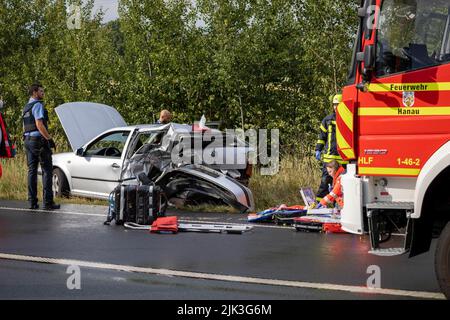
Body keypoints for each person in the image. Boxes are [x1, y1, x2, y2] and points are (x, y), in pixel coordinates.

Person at [23, 83, 60, 210]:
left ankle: (32, 202)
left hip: (27, 140)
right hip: (39, 141)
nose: (43, 93)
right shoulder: (37, 105)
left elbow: (26, 126)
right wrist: (49, 139)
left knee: (32, 171)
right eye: (41, 91)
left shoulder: (26, 107)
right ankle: (48, 202)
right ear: (34, 92)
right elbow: (39, 124)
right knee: (47, 170)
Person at [315, 93, 348, 202]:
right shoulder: (327, 120)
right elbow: (322, 137)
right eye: (334, 104)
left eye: (338, 104)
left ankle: (339, 206)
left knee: (341, 186)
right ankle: (318, 205)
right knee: (325, 183)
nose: (336, 107)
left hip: (343, 159)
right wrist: (318, 149)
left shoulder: (348, 119)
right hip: (329, 159)